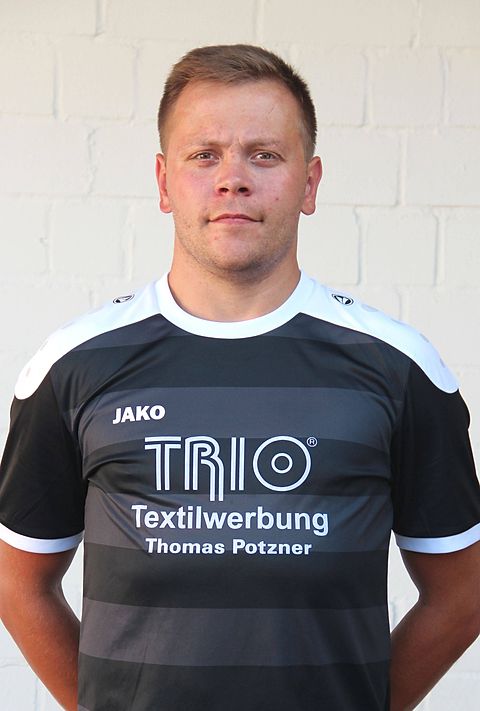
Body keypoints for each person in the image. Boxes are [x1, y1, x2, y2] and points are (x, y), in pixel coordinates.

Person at [0, 44, 479, 711]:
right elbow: (17, 582)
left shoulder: (401, 368)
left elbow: (463, 593)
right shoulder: (74, 365)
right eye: (204, 155)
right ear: (164, 182)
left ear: (309, 184)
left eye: (265, 154)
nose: (233, 179)